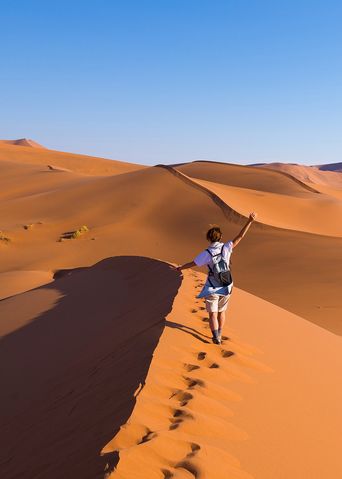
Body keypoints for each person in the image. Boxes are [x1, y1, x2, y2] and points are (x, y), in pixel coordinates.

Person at [175, 212, 257, 344]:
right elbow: (240, 236)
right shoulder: (227, 247)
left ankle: (216, 337)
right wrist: (250, 221)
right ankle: (220, 333)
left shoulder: (207, 253)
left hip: (212, 286)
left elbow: (193, 263)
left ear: (209, 238)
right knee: (221, 311)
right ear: (220, 237)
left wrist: (180, 268)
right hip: (227, 284)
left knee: (212, 313)